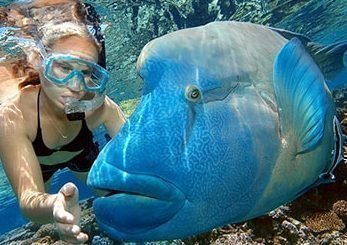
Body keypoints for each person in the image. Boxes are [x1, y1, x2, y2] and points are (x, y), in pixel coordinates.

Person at [0, 1, 125, 243]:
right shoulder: (12, 115)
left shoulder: (98, 107)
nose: (76, 86)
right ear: (38, 59)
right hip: (40, 162)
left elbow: (138, 151)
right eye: (63, 67)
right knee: (40, 218)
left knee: (110, 193)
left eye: (88, 73)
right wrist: (55, 204)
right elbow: (29, 200)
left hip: (80, 151)